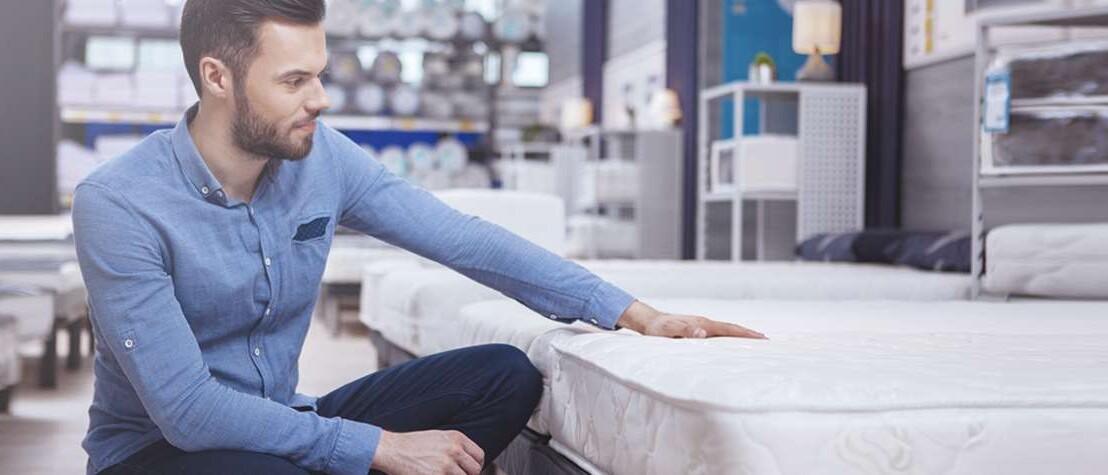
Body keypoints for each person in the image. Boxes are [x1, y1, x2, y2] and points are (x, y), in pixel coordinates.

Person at [72, 1, 766, 474]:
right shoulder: (119, 203)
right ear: (216, 77)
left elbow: (462, 238)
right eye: (294, 80)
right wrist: (380, 448)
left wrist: (635, 311)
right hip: (159, 454)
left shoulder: (322, 157)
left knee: (504, 375)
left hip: (284, 425)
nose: (320, 98)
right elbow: (190, 413)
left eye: (320, 73)